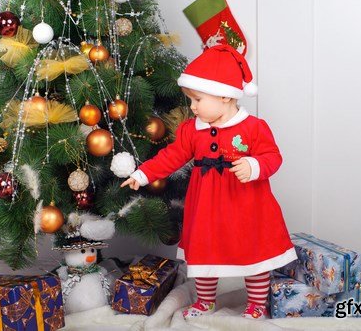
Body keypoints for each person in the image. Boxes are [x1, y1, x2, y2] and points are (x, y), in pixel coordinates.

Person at [121, 44, 297, 320]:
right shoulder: (192, 129)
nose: (192, 107)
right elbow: (173, 155)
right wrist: (143, 174)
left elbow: (272, 157)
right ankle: (205, 301)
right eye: (191, 99)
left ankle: (256, 303)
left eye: (197, 100)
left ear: (225, 95)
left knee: (254, 251)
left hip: (247, 204)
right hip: (206, 205)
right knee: (204, 251)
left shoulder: (254, 127)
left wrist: (253, 165)